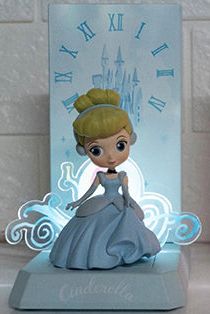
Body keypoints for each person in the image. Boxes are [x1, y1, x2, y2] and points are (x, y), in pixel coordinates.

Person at [49, 88, 161, 269]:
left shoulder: (122, 176)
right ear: (83, 150)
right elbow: (90, 191)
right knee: (92, 227)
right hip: (101, 202)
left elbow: (126, 192)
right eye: (96, 150)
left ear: (130, 139)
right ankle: (93, 256)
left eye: (120, 145)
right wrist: (78, 202)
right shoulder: (100, 176)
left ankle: (126, 252)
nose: (110, 157)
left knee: (128, 222)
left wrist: (129, 201)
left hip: (120, 202)